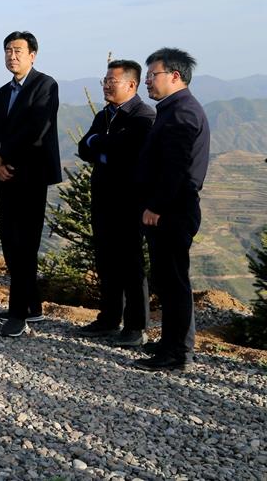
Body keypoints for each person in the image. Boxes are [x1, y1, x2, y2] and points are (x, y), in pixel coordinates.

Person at [133, 48, 210, 372]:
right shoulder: (173, 109)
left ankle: (177, 353)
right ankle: (172, 343)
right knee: (168, 280)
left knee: (173, 281)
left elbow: (176, 169)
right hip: (170, 208)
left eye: (153, 75)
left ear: (175, 76)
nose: (147, 81)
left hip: (172, 211)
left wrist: (156, 206)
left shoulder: (182, 113)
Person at [0, 31, 62, 338]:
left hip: (31, 176)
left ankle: (18, 315)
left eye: (18, 50)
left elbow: (36, 129)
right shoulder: (2, 93)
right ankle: (32, 305)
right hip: (4, 175)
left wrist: (2, 156)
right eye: (7, 50)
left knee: (25, 244)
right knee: (10, 241)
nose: (11, 55)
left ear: (32, 55)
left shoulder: (45, 85)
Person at [76, 60, 155, 347]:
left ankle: (136, 326)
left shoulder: (143, 116)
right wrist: (103, 144)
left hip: (130, 200)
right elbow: (84, 147)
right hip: (103, 198)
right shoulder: (104, 115)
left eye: (113, 81)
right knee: (106, 259)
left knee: (130, 262)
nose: (107, 86)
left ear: (132, 85)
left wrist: (100, 144)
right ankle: (109, 318)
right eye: (105, 81)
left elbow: (128, 152)